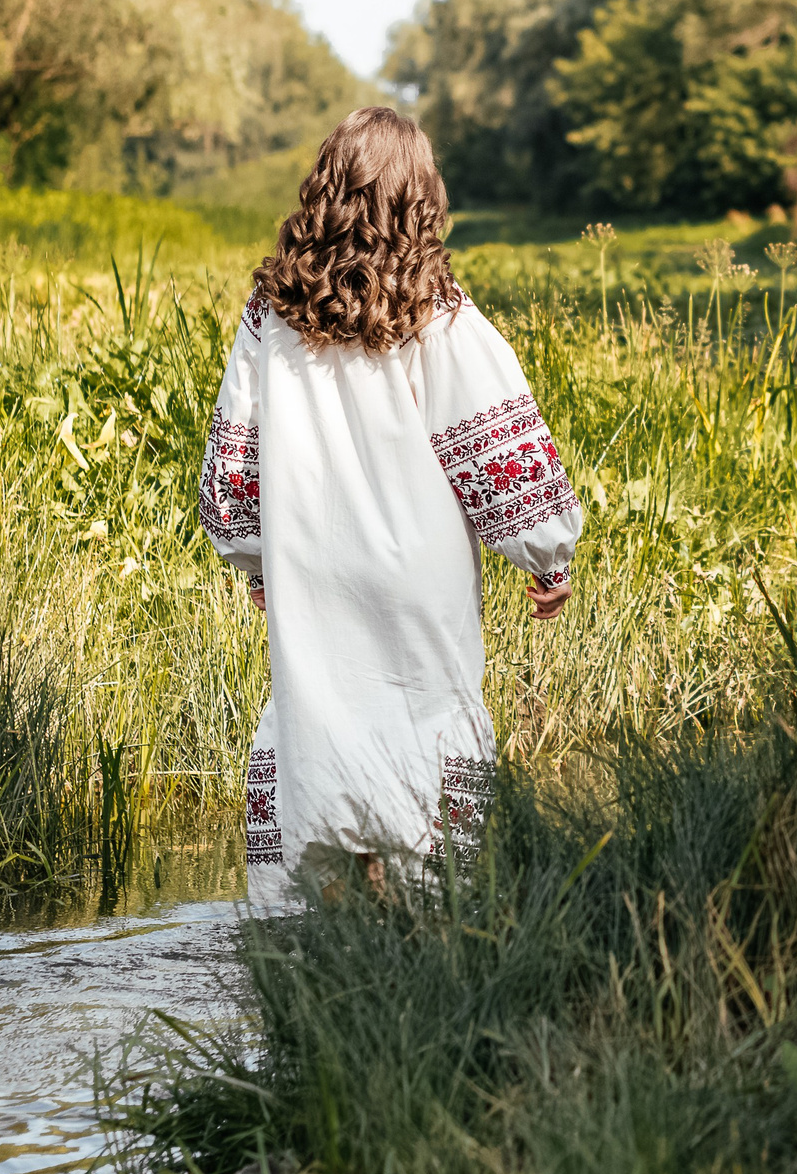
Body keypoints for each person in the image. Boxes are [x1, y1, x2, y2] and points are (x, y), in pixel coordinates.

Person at [198, 106, 581, 906]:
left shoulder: (271, 314)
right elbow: (493, 439)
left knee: (317, 718)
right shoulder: (439, 312)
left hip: (312, 562)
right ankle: (427, 911)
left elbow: (233, 461)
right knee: (428, 714)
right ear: (421, 198)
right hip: (419, 568)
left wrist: (251, 558)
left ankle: (313, 925)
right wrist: (547, 555)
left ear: (325, 188)